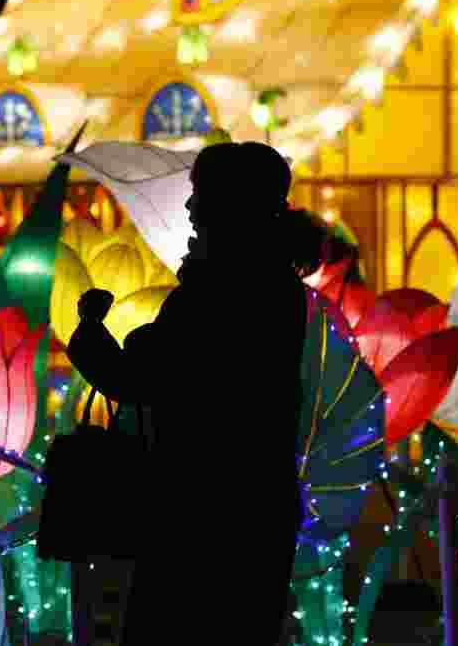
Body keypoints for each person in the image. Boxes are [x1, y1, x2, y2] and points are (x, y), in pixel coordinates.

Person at [67, 141, 324, 644]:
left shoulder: (217, 291)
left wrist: (91, 327)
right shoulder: (278, 284)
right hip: (257, 505)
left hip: (197, 511)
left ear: (230, 204)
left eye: (199, 194)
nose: (189, 207)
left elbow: (139, 379)